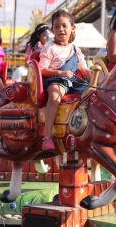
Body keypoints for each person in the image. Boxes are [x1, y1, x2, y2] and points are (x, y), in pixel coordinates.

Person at [39, 9, 91, 151]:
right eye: (57, 26)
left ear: (72, 28)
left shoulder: (75, 49)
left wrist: (97, 81)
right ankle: (47, 136)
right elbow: (42, 69)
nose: (61, 29)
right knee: (55, 96)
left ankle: (83, 129)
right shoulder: (49, 47)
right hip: (55, 80)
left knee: (92, 94)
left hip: (73, 81)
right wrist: (60, 73)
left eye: (64, 26)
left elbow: (85, 70)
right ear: (52, 29)